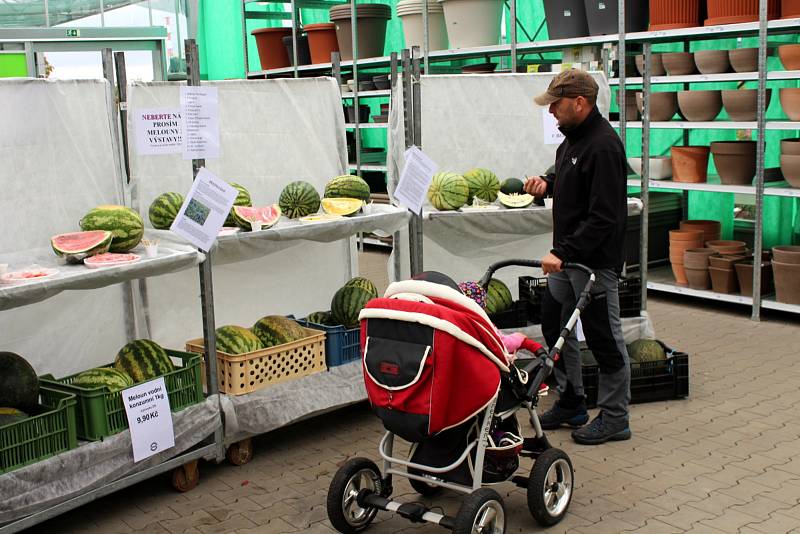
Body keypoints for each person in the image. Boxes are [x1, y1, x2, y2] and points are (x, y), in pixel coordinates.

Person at [524, 69, 631, 445]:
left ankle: (616, 417)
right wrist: (548, 184)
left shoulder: (603, 146)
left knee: (604, 339)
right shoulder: (571, 141)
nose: (551, 111)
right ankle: (572, 402)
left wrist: (563, 251)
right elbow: (574, 183)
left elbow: (604, 216)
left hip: (593, 264)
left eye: (556, 104)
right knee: (555, 328)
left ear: (579, 103)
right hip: (567, 262)